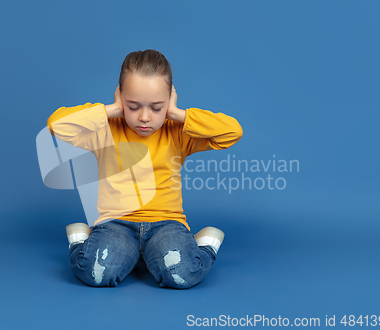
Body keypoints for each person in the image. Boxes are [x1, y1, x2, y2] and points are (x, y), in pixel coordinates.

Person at [47, 49, 243, 289]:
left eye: (157, 107)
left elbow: (232, 132)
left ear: (170, 98)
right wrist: (111, 110)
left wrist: (176, 114)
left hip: (165, 224)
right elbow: (56, 126)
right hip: (116, 224)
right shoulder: (105, 129)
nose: (144, 117)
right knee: (96, 273)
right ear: (120, 95)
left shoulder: (176, 131)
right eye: (133, 106)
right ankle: (80, 241)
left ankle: (204, 246)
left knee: (182, 275)